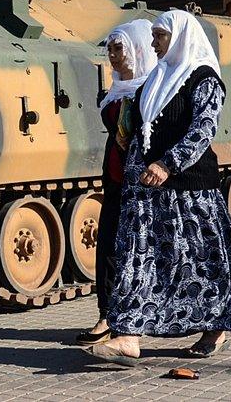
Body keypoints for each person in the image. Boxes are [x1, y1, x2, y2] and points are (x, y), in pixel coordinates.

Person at [88, 10, 231, 367]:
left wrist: (168, 164)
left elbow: (203, 130)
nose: (153, 43)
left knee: (200, 264)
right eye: (151, 37)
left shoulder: (204, 79)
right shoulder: (157, 79)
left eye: (159, 36)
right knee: (141, 263)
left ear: (180, 36)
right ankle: (128, 337)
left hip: (190, 192)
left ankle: (216, 327)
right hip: (149, 196)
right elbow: (139, 130)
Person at [76, 19, 156, 346]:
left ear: (137, 48)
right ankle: (106, 315)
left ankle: (136, 325)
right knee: (107, 248)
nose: (112, 54)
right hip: (114, 179)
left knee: (139, 252)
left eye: (118, 47)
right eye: (109, 48)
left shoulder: (152, 89)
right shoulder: (117, 88)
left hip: (142, 184)